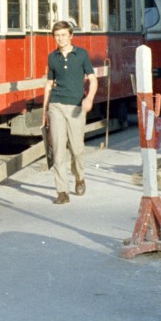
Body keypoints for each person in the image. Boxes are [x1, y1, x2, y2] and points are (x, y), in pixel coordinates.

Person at [41, 20, 97, 205]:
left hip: (76, 108)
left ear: (71, 36)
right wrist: (45, 111)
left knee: (77, 149)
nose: (60, 38)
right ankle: (62, 192)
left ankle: (79, 177)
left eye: (64, 35)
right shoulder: (52, 57)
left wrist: (88, 99)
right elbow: (49, 85)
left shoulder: (81, 54)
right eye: (57, 35)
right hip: (56, 105)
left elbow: (93, 79)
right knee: (58, 149)